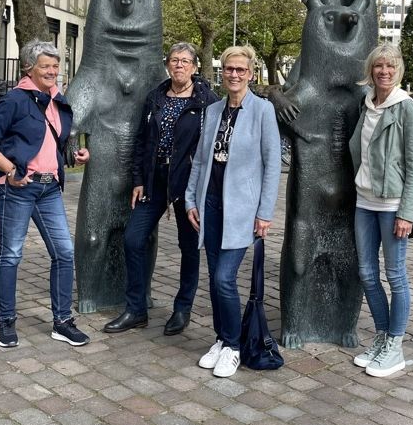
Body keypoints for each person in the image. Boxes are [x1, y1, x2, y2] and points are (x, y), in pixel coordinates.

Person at [0, 40, 90, 348]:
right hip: (18, 189)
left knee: (64, 253)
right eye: (46, 66)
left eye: (56, 66)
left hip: (49, 188)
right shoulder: (15, 100)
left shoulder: (57, 99)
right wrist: (10, 170)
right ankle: (6, 321)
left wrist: (74, 155)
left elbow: (52, 142)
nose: (53, 71)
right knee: (11, 254)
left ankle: (62, 322)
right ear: (29, 69)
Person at [103, 43, 218, 336]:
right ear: (167, 64)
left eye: (185, 61)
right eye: (174, 60)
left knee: (189, 248)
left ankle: (182, 309)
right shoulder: (156, 97)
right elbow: (142, 141)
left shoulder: (206, 102)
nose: (178, 65)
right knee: (133, 239)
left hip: (187, 183)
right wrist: (139, 179)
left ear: (194, 67)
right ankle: (136, 309)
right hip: (154, 179)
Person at [186, 45, 281, 378]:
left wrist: (265, 212)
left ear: (251, 74)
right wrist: (190, 199)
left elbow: (272, 164)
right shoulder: (213, 111)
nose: (235, 75)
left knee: (226, 278)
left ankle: (235, 345)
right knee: (213, 279)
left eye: (241, 70)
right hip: (210, 204)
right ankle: (221, 339)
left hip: (242, 209)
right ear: (221, 72)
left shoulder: (263, 111)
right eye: (229, 69)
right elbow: (200, 159)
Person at [349, 44, 413, 377]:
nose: (384, 71)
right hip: (364, 200)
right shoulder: (367, 105)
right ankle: (381, 336)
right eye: (379, 65)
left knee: (395, 276)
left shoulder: (406, 108)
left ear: (398, 70)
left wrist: (407, 212)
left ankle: (395, 344)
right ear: (371, 70)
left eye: (390, 66)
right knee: (367, 273)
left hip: (392, 204)